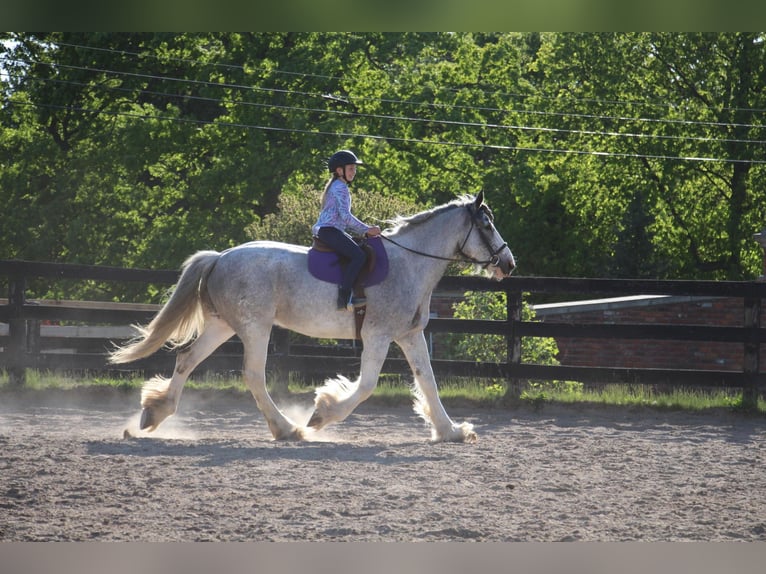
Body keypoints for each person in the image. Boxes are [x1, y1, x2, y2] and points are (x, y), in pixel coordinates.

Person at [312, 149, 382, 311]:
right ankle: (344, 298)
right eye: (351, 168)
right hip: (329, 230)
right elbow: (345, 216)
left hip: (331, 230)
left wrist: (364, 231)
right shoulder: (340, 188)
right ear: (339, 170)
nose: (354, 172)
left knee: (358, 249)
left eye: (355, 169)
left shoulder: (338, 186)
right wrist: (367, 229)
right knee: (359, 255)